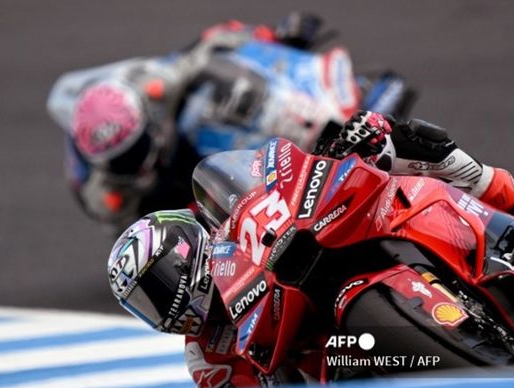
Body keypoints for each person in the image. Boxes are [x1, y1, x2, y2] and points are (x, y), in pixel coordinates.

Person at [107, 111, 514, 388]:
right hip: (340, 365)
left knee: (415, 143)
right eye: (149, 303)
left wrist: (349, 142)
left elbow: (269, 189)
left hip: (321, 264)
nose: (166, 302)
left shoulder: (229, 236)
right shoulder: (206, 360)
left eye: (163, 280)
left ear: (189, 247)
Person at [47, 13, 340, 233]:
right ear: (106, 163)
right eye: (127, 158)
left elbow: (212, 42)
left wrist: (275, 37)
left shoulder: (155, 86)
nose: (139, 159)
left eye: (138, 148)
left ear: (146, 118)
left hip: (197, 135)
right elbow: (145, 232)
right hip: (169, 195)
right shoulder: (107, 196)